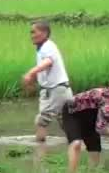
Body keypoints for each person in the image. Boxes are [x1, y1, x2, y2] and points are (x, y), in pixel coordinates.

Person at [22, 21, 72, 158]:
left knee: (41, 120)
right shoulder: (42, 48)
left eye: (34, 32)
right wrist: (34, 80)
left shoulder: (48, 46)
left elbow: (48, 62)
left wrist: (31, 73)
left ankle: (40, 154)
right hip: (57, 90)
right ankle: (78, 145)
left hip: (57, 90)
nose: (31, 35)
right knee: (66, 122)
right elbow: (45, 69)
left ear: (44, 33)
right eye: (30, 32)